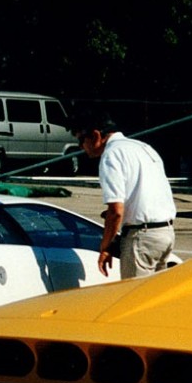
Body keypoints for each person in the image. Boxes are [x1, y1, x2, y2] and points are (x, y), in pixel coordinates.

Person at [72, 111, 176, 279]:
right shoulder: (142, 147)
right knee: (155, 299)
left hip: (142, 238)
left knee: (135, 299)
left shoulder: (111, 155)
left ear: (96, 135)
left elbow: (116, 211)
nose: (80, 146)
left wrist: (105, 247)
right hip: (165, 234)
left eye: (81, 140)